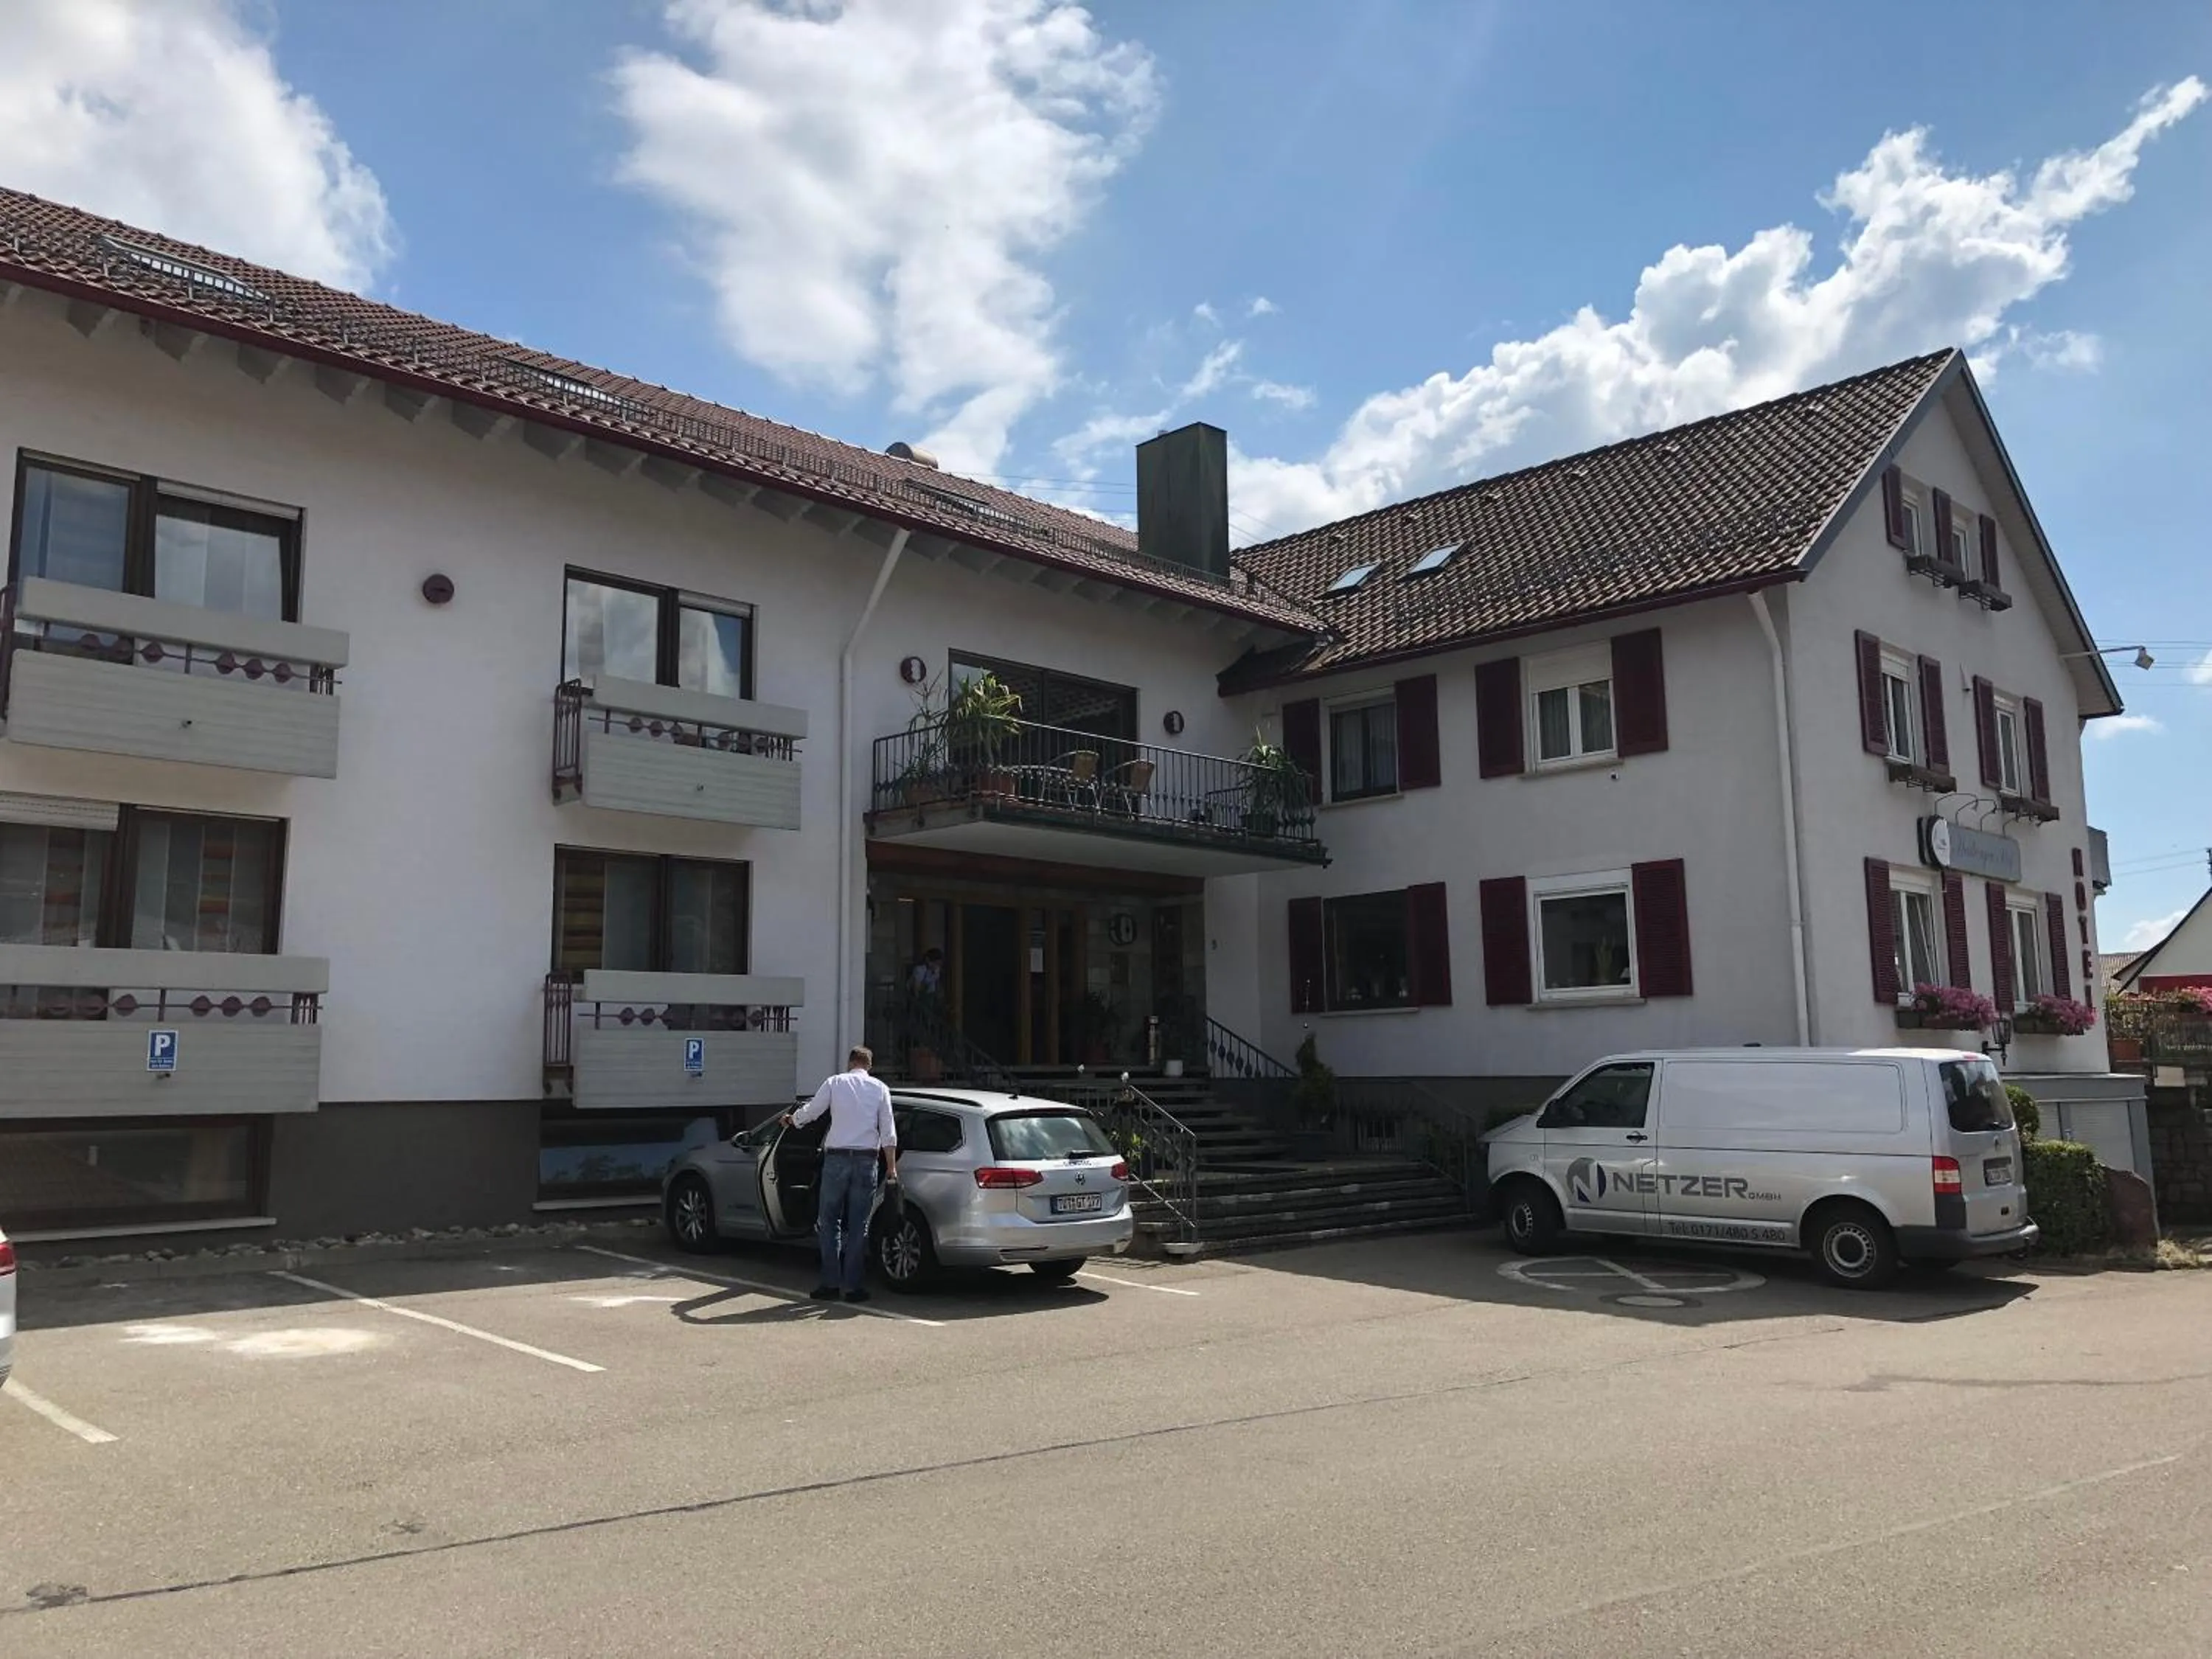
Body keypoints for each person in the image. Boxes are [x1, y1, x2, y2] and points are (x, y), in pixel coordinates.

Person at [784, 1046, 898, 1304]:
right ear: (869, 1065)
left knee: (829, 1221)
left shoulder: (835, 1082)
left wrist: (793, 1120)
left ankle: (830, 1284)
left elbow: (813, 1111)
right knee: (859, 1224)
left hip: (836, 1158)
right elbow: (888, 1130)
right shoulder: (880, 1089)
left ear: (850, 1062)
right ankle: (854, 1287)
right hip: (867, 1160)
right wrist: (891, 1168)